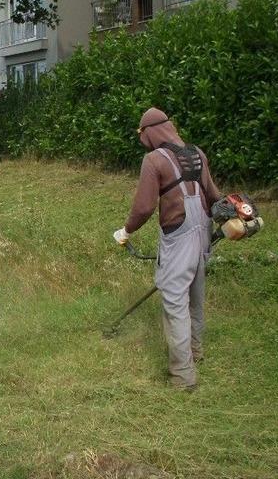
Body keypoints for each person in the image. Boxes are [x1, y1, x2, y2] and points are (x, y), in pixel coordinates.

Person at [113, 108, 221, 391]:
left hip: (179, 236)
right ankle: (195, 353)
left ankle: (183, 377)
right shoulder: (197, 153)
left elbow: (144, 207)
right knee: (195, 299)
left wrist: (126, 231)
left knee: (175, 303)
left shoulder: (154, 160)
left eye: (141, 134)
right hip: (203, 234)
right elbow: (213, 195)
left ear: (150, 132)